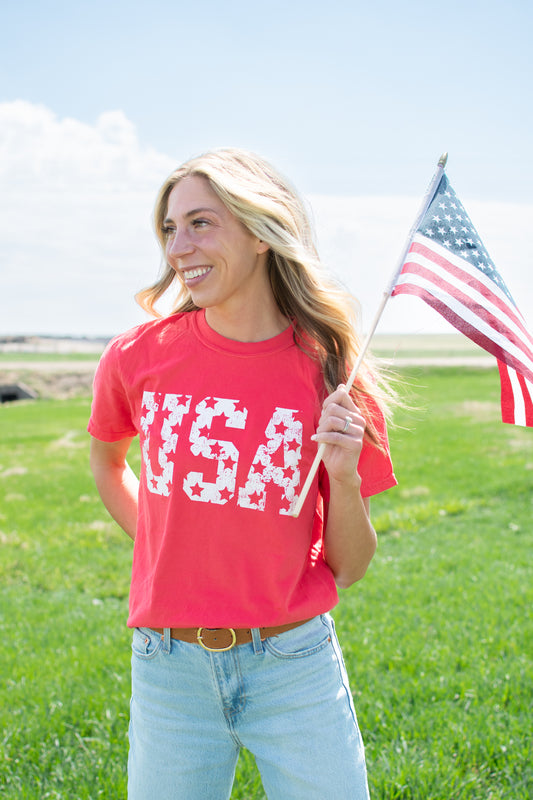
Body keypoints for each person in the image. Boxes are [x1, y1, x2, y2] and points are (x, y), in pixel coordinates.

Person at [88, 148, 397, 799]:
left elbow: (348, 565)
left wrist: (341, 477)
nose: (179, 247)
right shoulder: (136, 357)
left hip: (293, 665)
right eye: (170, 228)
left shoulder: (333, 372)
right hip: (167, 670)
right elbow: (108, 460)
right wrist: (163, 540)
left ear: (260, 232)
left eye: (200, 223)